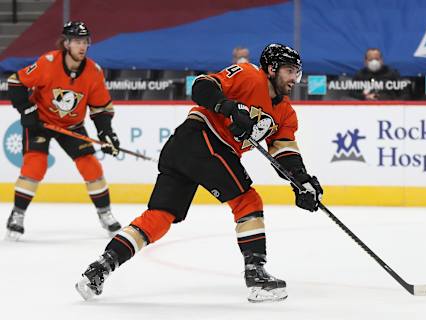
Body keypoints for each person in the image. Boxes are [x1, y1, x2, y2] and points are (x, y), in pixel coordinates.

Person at [75, 43, 323, 303]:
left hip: (189, 148)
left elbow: (285, 153)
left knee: (159, 217)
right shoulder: (249, 75)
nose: (295, 78)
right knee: (247, 202)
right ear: (271, 69)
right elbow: (202, 86)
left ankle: (100, 268)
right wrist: (227, 107)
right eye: (289, 71)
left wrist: (301, 181)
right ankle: (256, 276)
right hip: (202, 138)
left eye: (297, 72)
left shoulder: (285, 114)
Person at [5, 21, 122, 241]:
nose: (82, 46)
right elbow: (16, 82)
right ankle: (17, 215)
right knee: (35, 165)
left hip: (71, 126)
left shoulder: (94, 72)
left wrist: (107, 133)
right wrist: (28, 110)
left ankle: (105, 214)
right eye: (77, 41)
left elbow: (100, 108)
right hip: (41, 122)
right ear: (66, 43)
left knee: (91, 166)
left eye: (85, 42)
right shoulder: (48, 62)